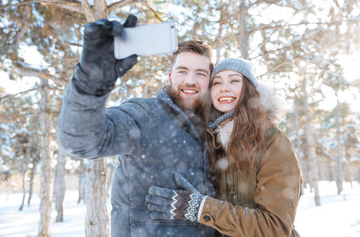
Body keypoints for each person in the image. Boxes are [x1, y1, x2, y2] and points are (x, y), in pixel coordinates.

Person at [57, 15, 217, 236]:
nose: (191, 80)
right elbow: (80, 141)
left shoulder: (219, 130)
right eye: (182, 71)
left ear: (209, 81)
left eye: (200, 73)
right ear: (170, 77)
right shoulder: (144, 115)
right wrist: (90, 82)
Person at [146, 58, 303, 236]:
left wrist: (202, 208)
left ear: (250, 89)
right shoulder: (211, 141)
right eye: (217, 82)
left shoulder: (272, 141)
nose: (224, 87)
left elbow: (275, 228)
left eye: (234, 80)